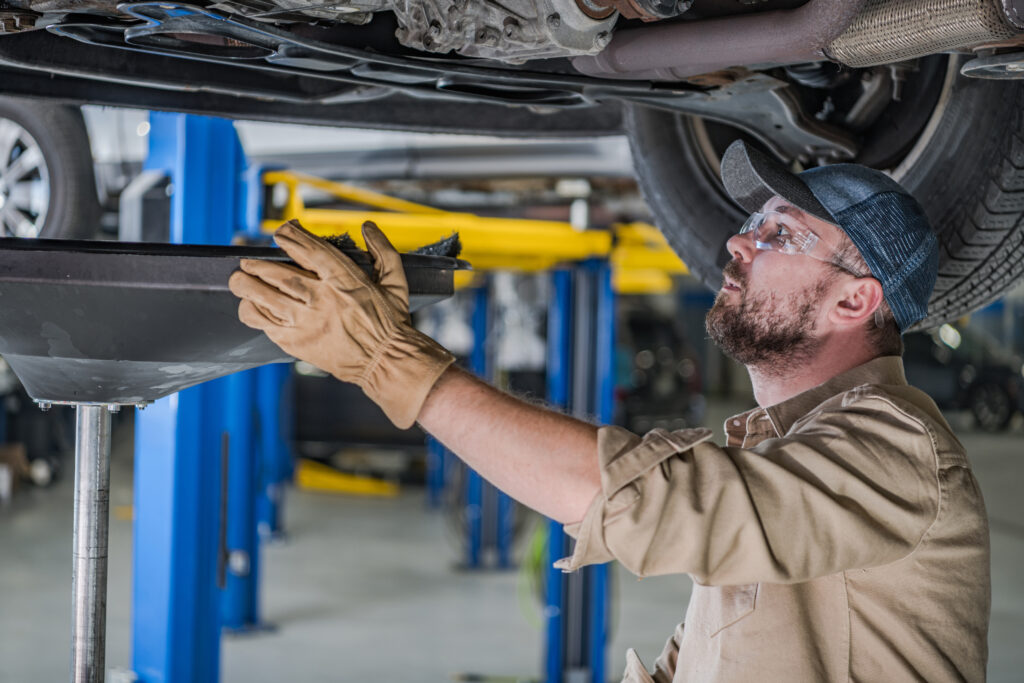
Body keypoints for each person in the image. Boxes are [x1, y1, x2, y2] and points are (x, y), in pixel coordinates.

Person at [228, 140, 990, 682]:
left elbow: (640, 500)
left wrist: (389, 359)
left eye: (780, 233)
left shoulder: (896, 446)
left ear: (856, 298)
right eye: (753, 222)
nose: (736, 241)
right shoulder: (777, 450)